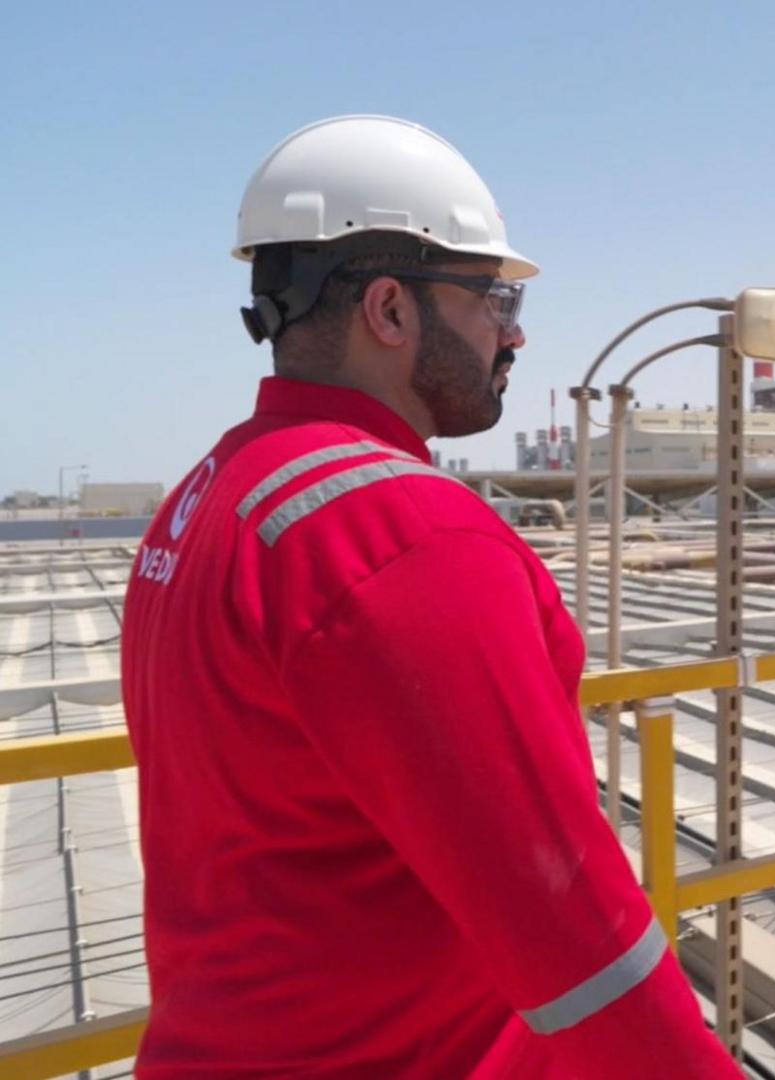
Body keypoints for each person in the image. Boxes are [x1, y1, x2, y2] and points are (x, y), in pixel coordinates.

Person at [121, 115, 738, 1077]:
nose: (516, 330)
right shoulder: (405, 533)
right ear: (390, 310)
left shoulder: (207, 501)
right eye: (493, 297)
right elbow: (580, 938)